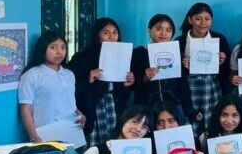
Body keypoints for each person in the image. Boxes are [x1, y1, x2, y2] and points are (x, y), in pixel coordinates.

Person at [69, 18, 135, 146]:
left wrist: (128, 84)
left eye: (115, 32)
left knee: (114, 143)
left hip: (114, 106)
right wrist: (88, 78)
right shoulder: (82, 57)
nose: (111, 37)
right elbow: (70, 86)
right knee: (92, 147)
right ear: (97, 35)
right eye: (106, 33)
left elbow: (123, 94)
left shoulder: (122, 56)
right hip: (92, 107)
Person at [19, 31, 86, 143]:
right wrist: (34, 136)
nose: (59, 52)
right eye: (53, 47)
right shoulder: (32, 75)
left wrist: (80, 114)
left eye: (63, 47)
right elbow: (25, 108)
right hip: (45, 135)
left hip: (71, 132)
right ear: (42, 49)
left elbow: (69, 103)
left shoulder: (69, 74)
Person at [176, 3, 232, 134]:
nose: (203, 23)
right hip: (188, 90)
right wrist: (183, 66)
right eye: (198, 18)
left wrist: (222, 62)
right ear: (190, 20)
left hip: (212, 89)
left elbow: (227, 72)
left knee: (212, 123)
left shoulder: (220, 39)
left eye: (207, 19)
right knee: (190, 126)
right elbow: (175, 74)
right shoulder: (180, 41)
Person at [130, 14, 195, 124]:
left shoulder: (177, 53)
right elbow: (130, 84)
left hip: (173, 106)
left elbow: (183, 85)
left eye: (168, 30)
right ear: (149, 31)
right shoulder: (138, 53)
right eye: (158, 29)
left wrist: (189, 109)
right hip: (146, 106)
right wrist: (144, 77)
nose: (163, 33)